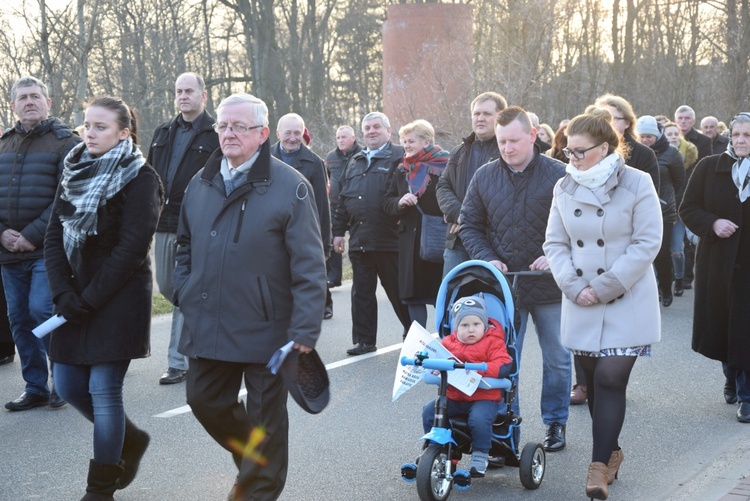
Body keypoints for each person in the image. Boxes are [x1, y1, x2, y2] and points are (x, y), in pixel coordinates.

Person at [174, 93, 326, 500]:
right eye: (222, 126)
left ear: (262, 133)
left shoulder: (290, 186)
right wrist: (184, 289)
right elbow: (184, 245)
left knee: (266, 422)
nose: (228, 134)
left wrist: (305, 330)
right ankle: (257, 463)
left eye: (239, 127)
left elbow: (310, 264)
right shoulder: (200, 181)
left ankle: (257, 486)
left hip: (268, 328)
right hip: (209, 320)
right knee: (203, 399)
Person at [45, 96, 162, 500]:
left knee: (103, 387)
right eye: (86, 125)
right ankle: (131, 440)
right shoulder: (73, 169)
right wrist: (62, 291)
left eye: (100, 127)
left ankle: (101, 487)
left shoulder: (142, 177)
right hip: (74, 297)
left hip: (118, 298)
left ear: (124, 132)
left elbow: (130, 249)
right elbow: (54, 236)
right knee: (67, 383)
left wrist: (88, 299)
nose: (89, 133)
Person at [544, 108, 662, 500]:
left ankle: (597, 470)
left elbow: (647, 243)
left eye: (580, 152)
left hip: (625, 296)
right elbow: (555, 244)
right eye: (569, 152)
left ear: (605, 147)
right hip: (580, 298)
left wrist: (604, 286)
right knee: (593, 382)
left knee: (611, 378)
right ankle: (611, 452)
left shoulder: (638, 182)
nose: (572, 159)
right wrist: (573, 286)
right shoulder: (564, 187)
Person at [460, 105, 571, 453]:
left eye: (513, 141)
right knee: (506, 360)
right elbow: (470, 224)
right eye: (501, 141)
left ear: (533, 136)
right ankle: (508, 428)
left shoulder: (561, 175)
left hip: (550, 284)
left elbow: (578, 226)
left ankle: (555, 423)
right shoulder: (484, 176)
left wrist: (555, 254)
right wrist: (487, 258)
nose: (506, 148)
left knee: (557, 358)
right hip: (506, 287)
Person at [0, 75, 81, 411]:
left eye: (36, 96)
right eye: (23, 97)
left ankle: (63, 381)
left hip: (47, 250)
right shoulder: (3, 143)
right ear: (13, 105)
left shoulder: (66, 142)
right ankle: (35, 386)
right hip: (7, 252)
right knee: (18, 317)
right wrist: (2, 233)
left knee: (41, 311)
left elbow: (68, 197)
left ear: (49, 103)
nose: (29, 102)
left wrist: (30, 236)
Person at [147, 72, 219, 385]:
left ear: (203, 95)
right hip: (163, 221)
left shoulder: (216, 133)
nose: (183, 96)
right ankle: (205, 334)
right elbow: (149, 175)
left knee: (184, 286)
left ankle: (178, 361)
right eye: (179, 91)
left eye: (189, 90)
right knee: (168, 287)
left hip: (199, 224)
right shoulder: (162, 131)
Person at [680, 112, 750, 422]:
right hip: (718, 262)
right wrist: (713, 223)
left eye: (747, 135)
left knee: (746, 327)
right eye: (736, 135)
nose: (740, 140)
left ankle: (747, 396)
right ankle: (731, 374)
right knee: (723, 323)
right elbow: (688, 208)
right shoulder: (709, 167)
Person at [332, 112, 411, 355]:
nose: (371, 131)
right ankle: (364, 340)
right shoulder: (354, 161)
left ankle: (413, 334)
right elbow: (342, 199)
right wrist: (337, 232)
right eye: (367, 128)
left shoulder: (400, 156)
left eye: (377, 127)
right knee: (362, 293)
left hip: (391, 239)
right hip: (360, 239)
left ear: (389, 130)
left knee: (399, 292)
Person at [420, 296, 512, 477]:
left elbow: (504, 363)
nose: (471, 329)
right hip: (454, 396)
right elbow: (438, 359)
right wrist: (436, 368)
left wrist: (483, 369)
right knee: (430, 411)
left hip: (483, 398)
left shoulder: (493, 341)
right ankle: (438, 449)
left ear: (484, 325)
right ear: (455, 327)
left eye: (476, 324)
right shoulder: (448, 343)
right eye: (464, 325)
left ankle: (480, 454)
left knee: (478, 419)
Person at [382, 119, 449, 328]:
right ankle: (418, 343)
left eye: (411, 141)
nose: (406, 146)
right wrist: (400, 202)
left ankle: (450, 341)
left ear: (426, 141)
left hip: (438, 238)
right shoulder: (401, 169)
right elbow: (387, 202)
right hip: (410, 242)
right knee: (413, 296)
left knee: (442, 295)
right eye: (404, 141)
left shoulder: (447, 165)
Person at [436, 92, 506, 276]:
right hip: (457, 242)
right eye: (476, 114)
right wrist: (461, 216)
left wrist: (471, 220)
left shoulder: (507, 151)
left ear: (500, 117)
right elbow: (443, 186)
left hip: (494, 244)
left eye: (487, 114)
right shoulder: (459, 151)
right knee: (453, 300)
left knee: (492, 302)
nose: (480, 118)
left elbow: (507, 194)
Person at [271, 113, 331, 319]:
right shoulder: (263, 157)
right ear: (278, 133)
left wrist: (325, 246)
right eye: (287, 133)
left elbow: (322, 205)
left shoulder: (314, 163)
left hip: (301, 233)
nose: (292, 138)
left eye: (297, 133)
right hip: (269, 232)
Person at [636, 115, 685, 307]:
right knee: (641, 253)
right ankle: (651, 290)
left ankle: (666, 287)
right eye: (642, 136)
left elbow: (679, 181)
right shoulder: (635, 152)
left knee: (662, 253)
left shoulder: (671, 153)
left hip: (663, 210)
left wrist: (669, 201)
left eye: (649, 136)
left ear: (657, 135)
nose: (646, 140)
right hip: (638, 210)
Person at [594, 94, 660, 193]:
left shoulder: (644, 154)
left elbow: (649, 195)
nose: (608, 122)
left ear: (627, 123)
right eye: (602, 118)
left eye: (613, 118)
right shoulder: (587, 150)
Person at [324, 126, 361, 289]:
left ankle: (358, 275)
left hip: (355, 205)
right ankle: (334, 277)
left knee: (356, 241)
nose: (340, 140)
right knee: (333, 239)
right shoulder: (331, 157)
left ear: (353, 138)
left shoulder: (362, 154)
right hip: (335, 205)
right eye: (338, 138)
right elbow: (327, 179)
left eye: (344, 137)